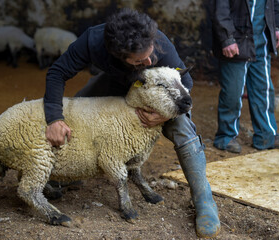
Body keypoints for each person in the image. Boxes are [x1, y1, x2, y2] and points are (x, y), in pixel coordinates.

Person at [43, 8, 220, 238]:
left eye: (150, 54)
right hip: (117, 80)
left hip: (156, 89)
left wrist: (166, 115)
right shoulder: (93, 41)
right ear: (119, 55)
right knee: (78, 108)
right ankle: (72, 172)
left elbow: (185, 81)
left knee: (182, 127)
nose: (148, 60)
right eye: (140, 60)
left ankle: (204, 199)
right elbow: (57, 72)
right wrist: (55, 118)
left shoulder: (159, 43)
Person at [210, 0, 279, 153]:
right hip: (237, 44)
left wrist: (275, 27)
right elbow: (220, 11)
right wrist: (227, 38)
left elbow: (273, 4)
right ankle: (225, 137)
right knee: (232, 93)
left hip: (261, 45)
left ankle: (266, 136)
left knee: (264, 91)